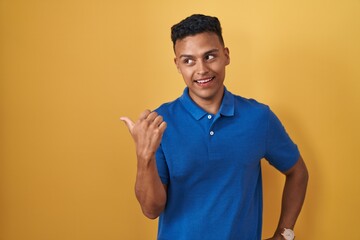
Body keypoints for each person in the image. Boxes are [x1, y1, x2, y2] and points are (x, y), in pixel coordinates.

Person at [121, 14, 308, 240]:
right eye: (188, 60)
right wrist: (144, 157)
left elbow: (297, 171)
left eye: (209, 56)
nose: (201, 69)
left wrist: (284, 234)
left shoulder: (259, 118)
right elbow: (151, 210)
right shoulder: (159, 123)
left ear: (226, 55)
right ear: (177, 65)